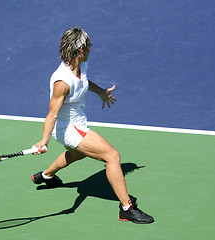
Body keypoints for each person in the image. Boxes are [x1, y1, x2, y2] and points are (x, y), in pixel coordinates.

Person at [32, 27, 154, 224]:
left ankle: (46, 176)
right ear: (81, 49)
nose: (92, 47)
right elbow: (52, 114)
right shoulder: (62, 82)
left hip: (77, 123)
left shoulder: (80, 65)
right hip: (69, 128)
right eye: (89, 44)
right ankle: (126, 208)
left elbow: (84, 83)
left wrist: (100, 92)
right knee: (112, 156)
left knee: (77, 154)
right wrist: (44, 140)